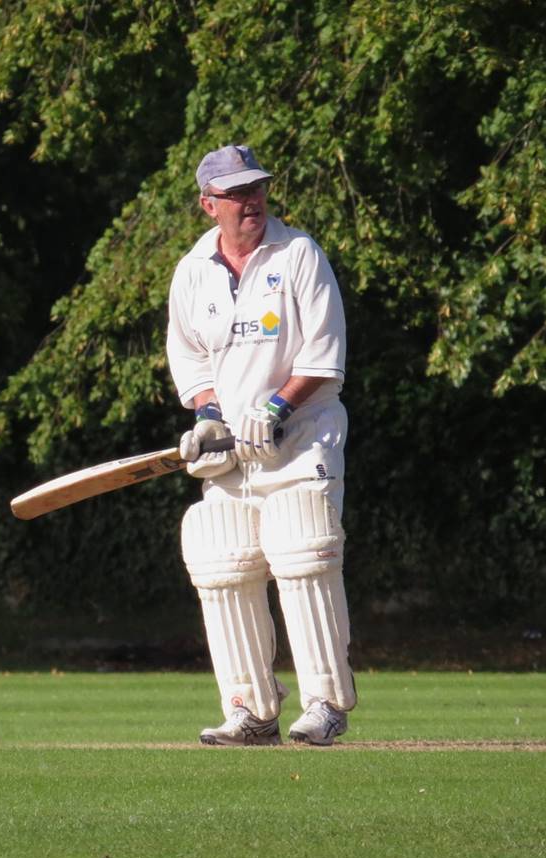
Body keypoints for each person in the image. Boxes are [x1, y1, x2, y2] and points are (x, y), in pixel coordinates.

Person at [166, 144, 356, 746]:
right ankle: (251, 711)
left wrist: (276, 408)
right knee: (224, 563)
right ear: (208, 205)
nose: (251, 201)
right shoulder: (192, 272)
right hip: (232, 452)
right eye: (236, 193)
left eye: (257, 189)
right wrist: (211, 417)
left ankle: (324, 704)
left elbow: (324, 358)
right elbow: (190, 358)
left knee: (303, 555)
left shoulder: (299, 254)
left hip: (300, 439)